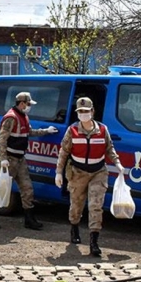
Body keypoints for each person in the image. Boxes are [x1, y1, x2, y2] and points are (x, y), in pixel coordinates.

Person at [54, 97, 125, 257]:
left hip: (98, 172)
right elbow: (63, 152)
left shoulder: (102, 129)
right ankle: (74, 228)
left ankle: (94, 242)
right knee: (76, 205)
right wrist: (58, 172)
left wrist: (117, 163)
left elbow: (109, 148)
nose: (84, 114)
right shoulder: (72, 130)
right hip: (78, 172)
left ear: (92, 112)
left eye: (86, 111)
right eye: (81, 112)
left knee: (95, 205)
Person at [0, 92, 58, 230]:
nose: (30, 107)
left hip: (20, 159)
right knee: (1, 189)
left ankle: (29, 219)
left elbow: (29, 133)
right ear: (22, 103)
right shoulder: (11, 118)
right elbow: (1, 139)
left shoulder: (23, 116)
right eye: (29, 104)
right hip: (10, 160)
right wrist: (4, 159)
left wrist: (46, 131)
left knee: (27, 189)